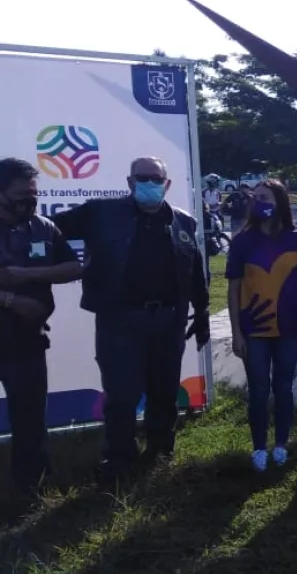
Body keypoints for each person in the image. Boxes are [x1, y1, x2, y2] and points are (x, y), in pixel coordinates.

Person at [53, 157, 209, 480]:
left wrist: (203, 310)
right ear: (129, 182)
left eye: (156, 178)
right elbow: (50, 230)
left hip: (168, 321)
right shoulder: (101, 213)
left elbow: (194, 272)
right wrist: (65, 266)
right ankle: (119, 458)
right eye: (143, 178)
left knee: (164, 391)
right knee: (122, 394)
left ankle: (160, 451)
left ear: (166, 184)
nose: (150, 183)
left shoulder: (183, 222)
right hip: (120, 320)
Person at [0, 159, 83, 492]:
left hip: (26, 341)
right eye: (21, 195)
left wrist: (29, 275)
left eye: (33, 194)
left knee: (30, 420)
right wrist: (10, 300)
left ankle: (30, 488)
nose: (29, 202)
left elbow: (73, 268)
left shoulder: (43, 226)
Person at [226, 179, 297, 471]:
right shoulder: (242, 241)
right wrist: (236, 332)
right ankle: (258, 448)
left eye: (265, 197)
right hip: (254, 329)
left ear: (280, 201)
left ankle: (281, 444)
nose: (259, 202)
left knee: (284, 388)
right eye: (256, 197)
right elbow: (233, 289)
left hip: (290, 328)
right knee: (258, 390)